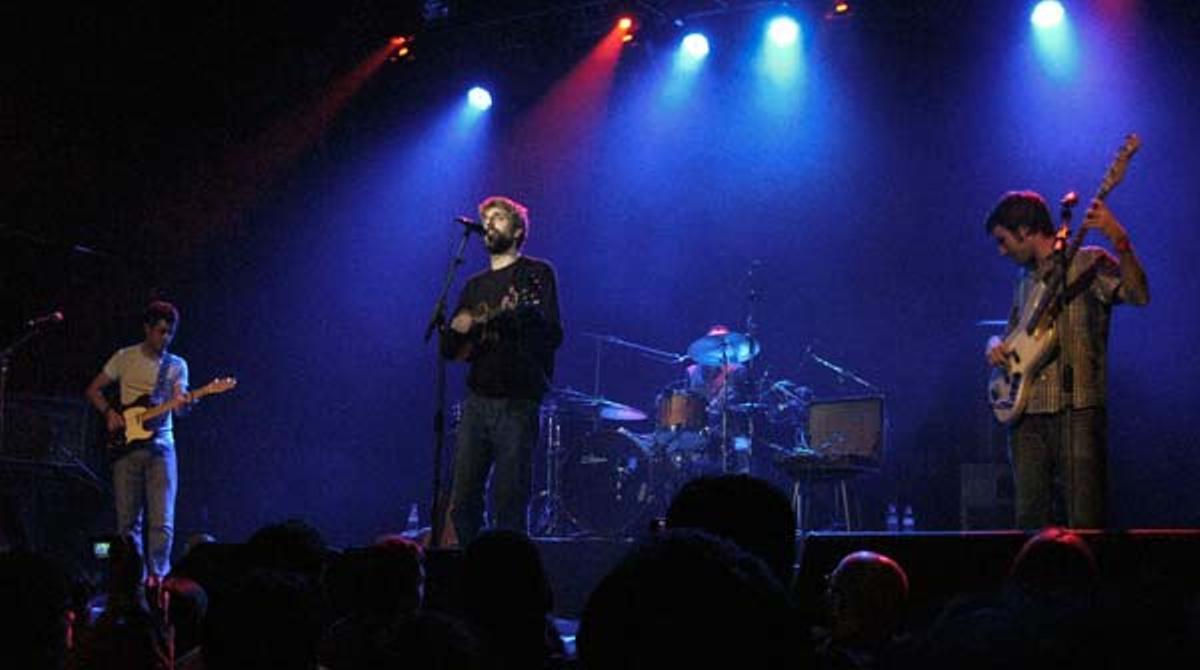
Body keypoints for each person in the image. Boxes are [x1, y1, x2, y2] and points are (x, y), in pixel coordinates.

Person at [984, 191, 1149, 528]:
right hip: (1027, 414)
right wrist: (994, 343)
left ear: (1025, 231)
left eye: (1003, 240)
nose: (1001, 251)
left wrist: (1120, 240)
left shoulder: (1089, 262)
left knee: (1085, 520)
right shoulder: (1025, 278)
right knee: (1029, 522)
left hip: (1078, 410)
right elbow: (1012, 334)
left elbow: (1138, 295)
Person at [441, 196, 563, 546]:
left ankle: (507, 570)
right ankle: (473, 564)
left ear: (518, 230)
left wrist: (512, 319)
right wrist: (459, 328)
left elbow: (553, 334)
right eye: (486, 219)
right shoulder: (474, 286)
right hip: (477, 400)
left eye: (498, 217)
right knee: (462, 502)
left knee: (509, 500)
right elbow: (452, 350)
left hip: (518, 400)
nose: (489, 224)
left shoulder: (536, 273)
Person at [85, 300, 195, 579]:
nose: (166, 338)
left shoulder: (177, 365)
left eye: (170, 333)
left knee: (163, 522)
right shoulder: (124, 357)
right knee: (127, 524)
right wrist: (109, 413)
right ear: (147, 328)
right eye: (161, 331)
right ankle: (131, 581)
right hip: (127, 448)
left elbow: (180, 403)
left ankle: (158, 580)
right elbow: (94, 390)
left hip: (162, 448)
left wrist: (184, 403)